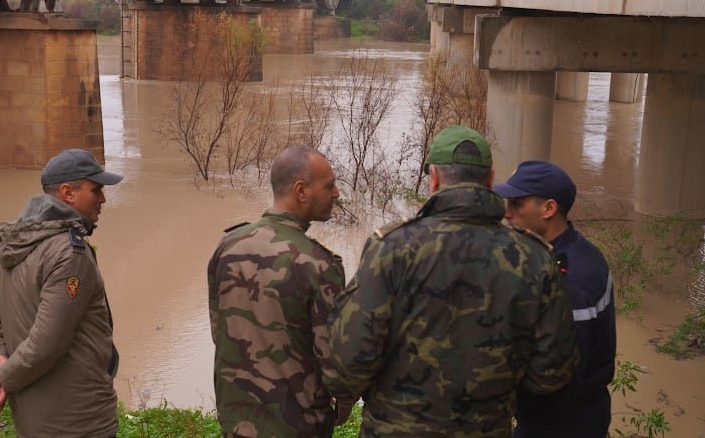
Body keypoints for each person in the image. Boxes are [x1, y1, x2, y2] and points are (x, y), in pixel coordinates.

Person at [324, 125, 578, 436]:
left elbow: (346, 367)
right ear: (490, 180)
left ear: (433, 179)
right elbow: (551, 374)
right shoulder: (534, 258)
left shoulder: (391, 248)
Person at [0, 148, 123, 437]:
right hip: (78, 421)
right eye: (96, 189)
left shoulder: (17, 243)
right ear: (67, 193)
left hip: (32, 416)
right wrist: (5, 376)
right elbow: (48, 342)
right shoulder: (69, 253)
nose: (102, 199)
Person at [208, 145, 355, 437]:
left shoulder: (227, 246)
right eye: (330, 186)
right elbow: (334, 362)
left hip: (236, 420)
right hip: (296, 425)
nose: (336, 193)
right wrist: (347, 400)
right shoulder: (319, 264)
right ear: (301, 190)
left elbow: (219, 330)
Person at [493, 160, 616, 437]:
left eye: (517, 204)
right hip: (574, 415)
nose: (507, 214)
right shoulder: (572, 252)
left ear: (549, 208)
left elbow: (565, 377)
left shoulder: (571, 279)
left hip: (561, 424)